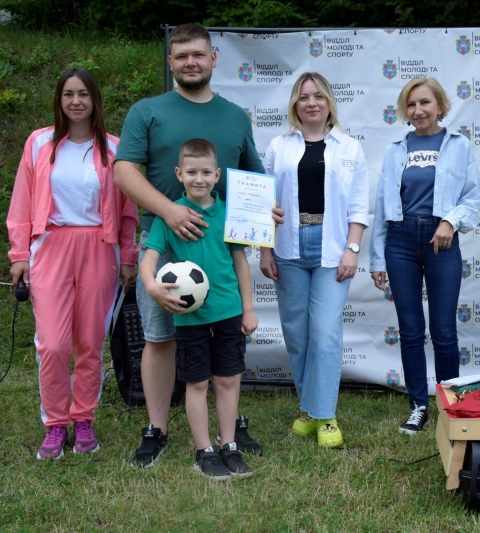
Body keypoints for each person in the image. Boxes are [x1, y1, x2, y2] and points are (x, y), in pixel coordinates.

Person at [114, 23, 283, 467]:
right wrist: (169, 211)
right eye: (182, 55)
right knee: (161, 337)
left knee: (224, 334)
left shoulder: (234, 116)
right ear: (171, 63)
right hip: (165, 244)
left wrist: (265, 223)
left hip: (220, 246)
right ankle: (157, 428)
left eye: (199, 54)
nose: (191, 61)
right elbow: (124, 172)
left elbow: (253, 181)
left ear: (213, 59)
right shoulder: (147, 111)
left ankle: (228, 428)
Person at [7, 67, 138, 459]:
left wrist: (128, 256)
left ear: (95, 100)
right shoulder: (38, 143)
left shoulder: (114, 149)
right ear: (59, 100)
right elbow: (22, 202)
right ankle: (55, 424)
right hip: (51, 247)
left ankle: (83, 419)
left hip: (101, 247)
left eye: (83, 94)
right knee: (53, 343)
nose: (76, 101)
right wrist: (19, 254)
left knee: (89, 341)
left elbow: (128, 209)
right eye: (68, 94)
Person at [369, 77, 480, 435]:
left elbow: (474, 197)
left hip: (441, 240)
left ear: (440, 106)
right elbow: (382, 206)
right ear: (405, 111)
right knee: (411, 330)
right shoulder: (394, 150)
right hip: (400, 241)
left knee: (444, 331)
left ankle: (450, 405)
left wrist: (450, 221)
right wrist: (376, 259)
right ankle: (419, 405)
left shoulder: (458, 145)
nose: (418, 110)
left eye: (425, 103)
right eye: (412, 104)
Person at [259, 72, 368, 448]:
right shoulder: (279, 146)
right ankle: (308, 409)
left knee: (324, 331)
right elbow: (264, 203)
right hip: (288, 247)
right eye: (304, 97)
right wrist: (265, 249)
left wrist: (352, 250)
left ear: (329, 102)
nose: (311, 103)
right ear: (295, 103)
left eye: (318, 96)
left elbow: (358, 206)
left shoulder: (350, 148)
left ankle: (326, 416)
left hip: (332, 247)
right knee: (297, 333)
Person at [141, 138, 258, 479]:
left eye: (206, 172)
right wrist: (150, 284)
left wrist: (248, 309)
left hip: (228, 312)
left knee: (226, 380)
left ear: (217, 174)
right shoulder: (169, 218)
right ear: (179, 174)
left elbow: (240, 264)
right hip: (189, 317)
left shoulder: (230, 214)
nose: (199, 179)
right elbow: (149, 260)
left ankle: (229, 445)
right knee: (197, 384)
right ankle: (204, 450)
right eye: (191, 172)